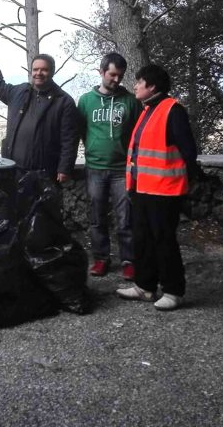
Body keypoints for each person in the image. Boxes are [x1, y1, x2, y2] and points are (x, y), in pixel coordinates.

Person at [117, 64, 200, 311]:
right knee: (142, 240)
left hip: (165, 191)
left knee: (164, 241)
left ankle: (174, 291)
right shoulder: (148, 110)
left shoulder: (172, 110)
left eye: (139, 82)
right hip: (143, 189)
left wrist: (185, 183)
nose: (135, 85)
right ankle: (145, 287)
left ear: (152, 86)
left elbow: (188, 151)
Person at [78, 53, 141, 280]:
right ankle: (101, 259)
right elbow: (80, 131)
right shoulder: (86, 101)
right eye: (112, 74)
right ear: (101, 72)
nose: (116, 79)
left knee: (126, 218)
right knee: (97, 217)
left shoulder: (130, 101)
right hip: (95, 168)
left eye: (120, 76)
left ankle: (129, 261)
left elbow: (138, 134)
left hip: (122, 170)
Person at [0, 48, 79, 183]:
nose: (38, 73)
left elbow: (69, 139)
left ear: (52, 72)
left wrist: (65, 168)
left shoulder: (64, 101)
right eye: (35, 70)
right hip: (13, 170)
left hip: (44, 174)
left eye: (44, 70)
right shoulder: (18, 92)